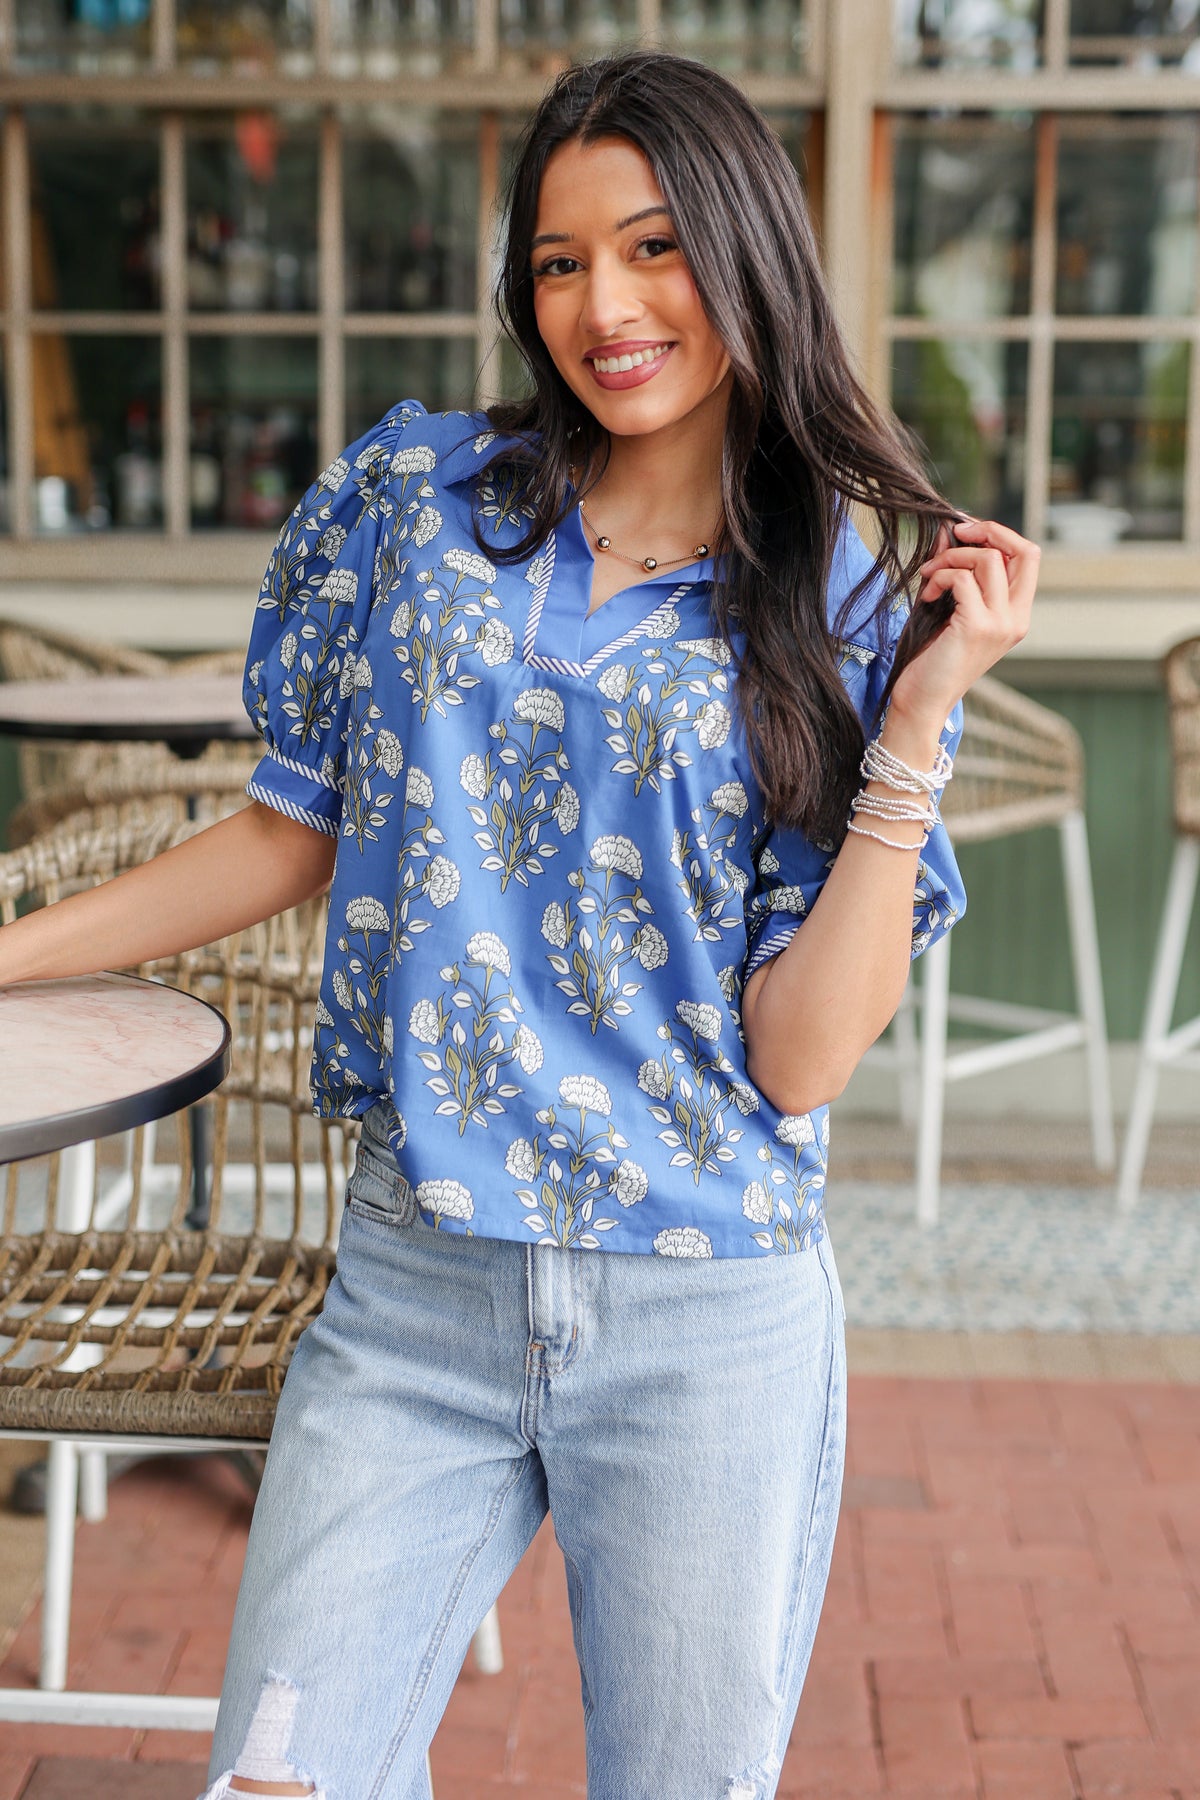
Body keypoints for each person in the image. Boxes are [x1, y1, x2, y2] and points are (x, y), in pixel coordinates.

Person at [0, 50, 1036, 1800]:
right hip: (421, 1294)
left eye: (652, 250)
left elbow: (800, 1055)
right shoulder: (421, 503)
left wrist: (920, 724)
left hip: (706, 1314)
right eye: (559, 263)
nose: (605, 307)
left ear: (744, 254)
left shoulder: (840, 604)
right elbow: (285, 834)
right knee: (277, 1779)